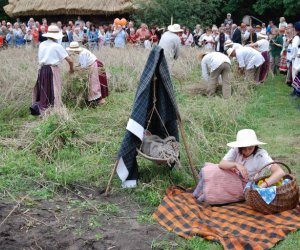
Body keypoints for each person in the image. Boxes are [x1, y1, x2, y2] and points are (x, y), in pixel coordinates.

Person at [193, 129, 285, 204]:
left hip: (245, 184)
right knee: (212, 170)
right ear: (240, 147)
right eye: (244, 149)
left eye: (251, 148)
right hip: (234, 174)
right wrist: (236, 164)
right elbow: (222, 163)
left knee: (220, 178)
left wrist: (264, 185)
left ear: (255, 146)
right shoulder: (236, 150)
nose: (247, 151)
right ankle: (199, 193)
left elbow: (280, 172)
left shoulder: (260, 155)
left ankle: (206, 196)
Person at [31, 25, 74, 116]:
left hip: (42, 69)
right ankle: (53, 111)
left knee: (44, 90)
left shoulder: (42, 44)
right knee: (54, 90)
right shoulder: (57, 46)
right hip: (52, 70)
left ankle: (43, 110)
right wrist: (71, 69)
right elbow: (70, 60)